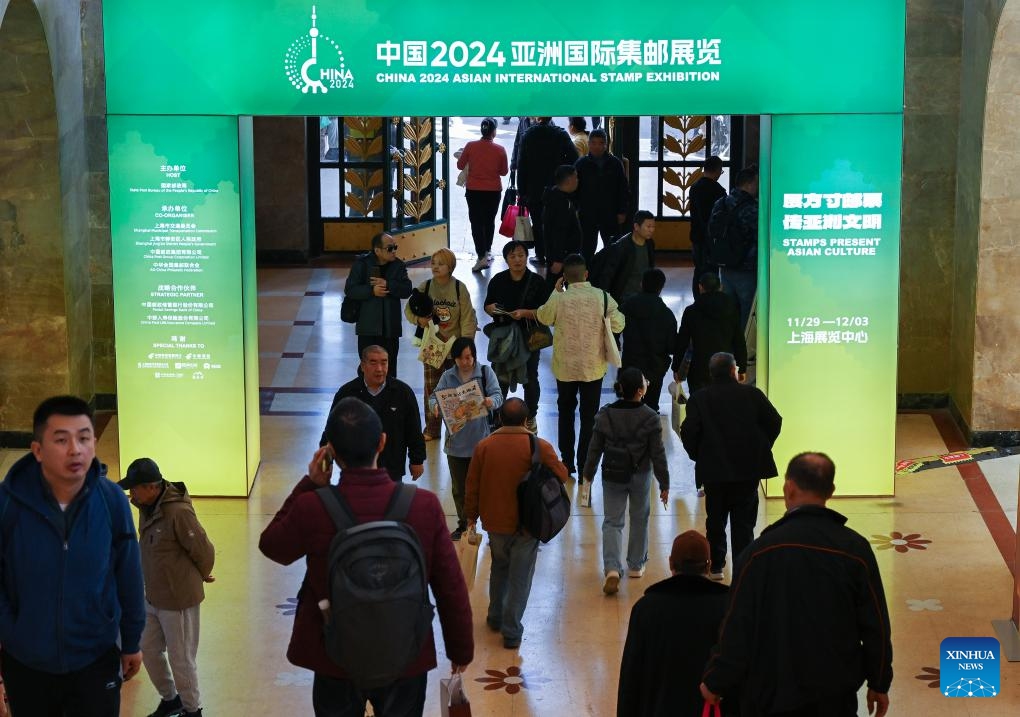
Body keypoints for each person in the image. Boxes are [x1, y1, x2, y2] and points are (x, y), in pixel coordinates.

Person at [260, 398, 474, 717]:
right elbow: (450, 587)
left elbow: (272, 546)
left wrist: (309, 484)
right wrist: (460, 649)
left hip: (334, 657)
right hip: (406, 656)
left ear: (330, 450)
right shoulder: (424, 506)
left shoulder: (313, 508)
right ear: (383, 442)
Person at [701, 452, 893, 717]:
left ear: (788, 488)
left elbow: (737, 626)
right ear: (831, 491)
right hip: (834, 697)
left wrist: (716, 680)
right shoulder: (855, 550)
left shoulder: (758, 553)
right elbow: (876, 625)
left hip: (771, 694)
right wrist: (879, 682)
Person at [0, 395, 145, 716]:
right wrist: (12, 632)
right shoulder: (7, 504)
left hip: (95, 657)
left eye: (83, 438)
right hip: (27, 662)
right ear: (37, 450)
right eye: (61, 440)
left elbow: (129, 575)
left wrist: (132, 639)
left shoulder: (111, 501)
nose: (75, 450)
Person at [465, 398, 568, 649]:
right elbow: (562, 475)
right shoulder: (539, 446)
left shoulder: (484, 447)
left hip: (494, 522)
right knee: (520, 576)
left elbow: (472, 486)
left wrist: (471, 518)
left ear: (499, 418)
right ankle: (511, 631)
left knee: (499, 567)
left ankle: (495, 615)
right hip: (527, 523)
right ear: (525, 421)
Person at [119, 457, 216, 717]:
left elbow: (203, 549)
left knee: (181, 660)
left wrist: (203, 573)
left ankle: (192, 710)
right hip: (152, 595)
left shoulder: (177, 512)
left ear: (152, 487)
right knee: (148, 649)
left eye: (136, 487)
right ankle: (171, 699)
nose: (132, 493)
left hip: (178, 599)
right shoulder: (146, 506)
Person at [680, 352, 782, 579]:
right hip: (747, 470)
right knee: (744, 523)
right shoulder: (752, 395)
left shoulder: (699, 398)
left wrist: (699, 454)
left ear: (711, 373)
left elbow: (688, 431)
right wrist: (762, 447)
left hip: (714, 471)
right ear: (733, 371)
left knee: (715, 519)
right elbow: (775, 421)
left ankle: (716, 566)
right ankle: (743, 567)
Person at [617, 531, 731, 717]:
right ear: (709, 566)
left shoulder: (646, 609)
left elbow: (631, 679)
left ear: (670, 563)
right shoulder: (728, 608)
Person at [582, 367, 669, 595]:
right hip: (640, 474)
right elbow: (658, 453)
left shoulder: (605, 414)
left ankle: (611, 567)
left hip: (612, 473)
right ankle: (636, 565)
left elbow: (594, 448)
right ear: (640, 391)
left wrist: (587, 475)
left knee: (612, 521)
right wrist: (665, 483)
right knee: (639, 518)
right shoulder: (650, 416)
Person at [537, 254, 625, 477]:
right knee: (589, 416)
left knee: (565, 412)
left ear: (564, 277)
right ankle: (585, 460)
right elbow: (618, 323)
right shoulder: (602, 297)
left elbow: (544, 317)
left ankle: (567, 462)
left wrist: (556, 292)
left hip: (565, 368)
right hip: (593, 367)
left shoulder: (559, 298)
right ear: (587, 274)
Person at [433, 337, 504, 540]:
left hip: (481, 442)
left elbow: (498, 395)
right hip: (456, 444)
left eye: (470, 357)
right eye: (462, 358)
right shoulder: (448, 376)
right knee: (460, 488)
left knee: (486, 487)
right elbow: (434, 397)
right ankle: (465, 524)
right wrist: (435, 406)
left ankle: (491, 528)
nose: (467, 362)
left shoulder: (484, 372)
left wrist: (491, 401)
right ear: (455, 359)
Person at [322, 345, 426, 482]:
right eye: (373, 362)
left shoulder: (402, 393)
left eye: (384, 362)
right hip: (355, 470)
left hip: (391, 470)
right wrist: (325, 462)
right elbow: (331, 431)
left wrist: (417, 459)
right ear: (363, 365)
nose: (379, 369)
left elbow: (413, 429)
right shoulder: (347, 393)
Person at [405, 248, 478, 440]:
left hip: (455, 346)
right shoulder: (426, 286)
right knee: (432, 388)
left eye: (441, 264)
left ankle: (459, 427)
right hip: (433, 347)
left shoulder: (459, 288)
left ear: (451, 267)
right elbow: (409, 309)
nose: (435, 267)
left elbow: (468, 317)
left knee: (459, 388)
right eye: (433, 263)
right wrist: (418, 320)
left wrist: (466, 344)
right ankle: (432, 429)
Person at [483, 240, 552, 431]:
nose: (517, 259)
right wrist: (491, 309)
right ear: (506, 259)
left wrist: (526, 313)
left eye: (521, 255)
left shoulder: (537, 282)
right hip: (504, 338)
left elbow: (546, 312)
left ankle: (530, 416)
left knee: (530, 376)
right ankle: (500, 416)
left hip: (530, 337)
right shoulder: (498, 280)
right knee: (500, 376)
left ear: (527, 257)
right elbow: (488, 305)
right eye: (512, 256)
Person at [343, 231, 413, 375]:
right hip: (368, 328)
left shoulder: (398, 266)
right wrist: (371, 291)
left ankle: (389, 397)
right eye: (389, 248)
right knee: (367, 367)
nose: (394, 251)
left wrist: (388, 285)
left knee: (390, 368)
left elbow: (407, 289)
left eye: (395, 247)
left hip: (390, 329)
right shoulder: (362, 264)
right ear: (377, 250)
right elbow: (350, 289)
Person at [672, 271, 747, 396]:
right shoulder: (731, 309)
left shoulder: (691, 311)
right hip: (725, 365)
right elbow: (739, 339)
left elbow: (682, 341)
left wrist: (676, 367)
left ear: (700, 287)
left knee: (700, 403)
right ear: (721, 287)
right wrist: (742, 367)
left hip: (699, 368)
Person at [517, 117, 579, 266]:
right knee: (558, 223)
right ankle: (557, 255)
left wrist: (522, 191)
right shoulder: (560, 134)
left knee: (538, 224)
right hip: (556, 187)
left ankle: (540, 255)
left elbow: (522, 165)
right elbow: (574, 158)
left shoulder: (528, 135)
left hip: (534, 189)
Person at [620, 268, 677, 413]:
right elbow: (672, 347)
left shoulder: (627, 306)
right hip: (655, 368)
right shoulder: (667, 314)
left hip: (630, 365)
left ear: (641, 284)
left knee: (629, 407)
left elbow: (613, 329)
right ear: (661, 288)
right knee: (650, 409)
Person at [456, 117, 509, 271]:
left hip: (474, 191)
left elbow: (460, 165)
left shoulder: (470, 146)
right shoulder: (500, 149)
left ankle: (481, 257)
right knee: (489, 221)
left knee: (476, 223)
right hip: (493, 191)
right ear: (494, 132)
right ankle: (487, 251)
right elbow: (504, 172)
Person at [710, 164, 759, 331]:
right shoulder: (752, 208)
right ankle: (742, 348)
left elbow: (711, 230)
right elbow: (758, 236)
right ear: (750, 184)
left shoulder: (721, 203)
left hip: (724, 265)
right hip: (746, 267)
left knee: (726, 308)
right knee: (747, 310)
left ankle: (724, 342)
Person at [575, 128, 630, 258]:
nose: (597, 146)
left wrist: (622, 211)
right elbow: (575, 189)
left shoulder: (615, 163)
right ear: (588, 144)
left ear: (606, 145)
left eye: (601, 143)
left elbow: (623, 188)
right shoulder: (581, 164)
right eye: (593, 143)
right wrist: (576, 209)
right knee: (587, 249)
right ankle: (588, 276)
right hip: (587, 214)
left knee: (613, 249)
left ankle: (611, 277)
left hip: (610, 213)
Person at [591, 209, 656, 304]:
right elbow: (607, 275)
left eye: (653, 226)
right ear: (636, 226)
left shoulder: (650, 244)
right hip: (623, 297)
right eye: (648, 226)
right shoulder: (621, 247)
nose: (652, 230)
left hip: (643, 295)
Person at [689, 155, 727, 296]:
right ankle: (711, 298)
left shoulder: (694, 187)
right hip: (712, 240)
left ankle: (697, 299)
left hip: (696, 236)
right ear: (718, 170)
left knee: (698, 270)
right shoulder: (719, 191)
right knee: (711, 272)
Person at [542, 164, 583, 285]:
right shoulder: (561, 203)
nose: (577, 180)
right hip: (561, 256)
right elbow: (558, 232)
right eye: (576, 177)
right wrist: (558, 259)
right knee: (555, 286)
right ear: (569, 180)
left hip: (562, 255)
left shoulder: (557, 196)